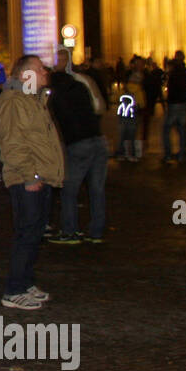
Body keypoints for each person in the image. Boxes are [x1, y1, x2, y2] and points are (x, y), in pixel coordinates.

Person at [0, 56, 65, 310]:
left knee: (35, 233)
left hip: (41, 176)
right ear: (25, 75)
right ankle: (13, 290)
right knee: (26, 233)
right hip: (28, 179)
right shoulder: (14, 102)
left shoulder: (34, 100)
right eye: (39, 69)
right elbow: (13, 144)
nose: (45, 72)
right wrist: (29, 176)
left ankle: (25, 282)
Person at [47, 65, 107, 244]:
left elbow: (53, 120)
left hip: (79, 143)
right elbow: (97, 107)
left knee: (69, 190)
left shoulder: (56, 95)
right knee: (97, 190)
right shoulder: (80, 87)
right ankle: (96, 232)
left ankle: (69, 230)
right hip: (98, 140)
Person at [162, 51, 186, 162]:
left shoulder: (175, 71)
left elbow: (171, 86)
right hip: (183, 104)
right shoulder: (185, 70)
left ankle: (167, 154)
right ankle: (182, 155)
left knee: (166, 129)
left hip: (174, 104)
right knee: (181, 130)